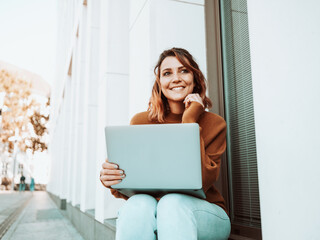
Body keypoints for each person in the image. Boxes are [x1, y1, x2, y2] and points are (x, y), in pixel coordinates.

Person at [100, 47, 231, 240]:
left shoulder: (215, 124)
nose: (176, 78)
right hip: (154, 211)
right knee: (137, 206)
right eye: (167, 73)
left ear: (195, 78)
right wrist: (111, 177)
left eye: (184, 70)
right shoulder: (140, 122)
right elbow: (129, 184)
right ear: (160, 83)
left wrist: (190, 121)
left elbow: (201, 183)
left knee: (172, 203)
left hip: (206, 214)